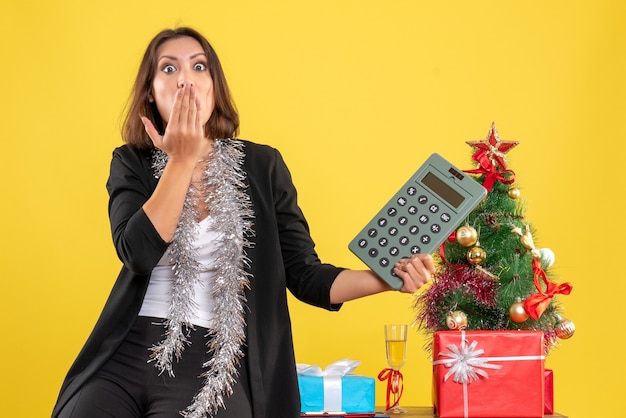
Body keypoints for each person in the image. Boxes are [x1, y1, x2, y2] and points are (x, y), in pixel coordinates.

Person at [51, 27, 435, 418]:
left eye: (199, 67)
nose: (185, 79)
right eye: (168, 69)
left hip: (215, 361)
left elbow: (305, 276)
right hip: (127, 351)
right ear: (150, 92)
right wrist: (180, 161)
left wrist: (388, 278)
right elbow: (138, 253)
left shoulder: (262, 165)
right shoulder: (131, 161)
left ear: (213, 86)